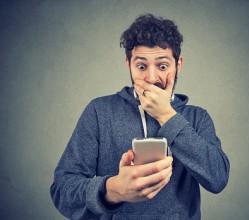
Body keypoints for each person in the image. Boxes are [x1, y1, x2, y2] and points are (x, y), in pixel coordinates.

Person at [50, 14, 230, 220]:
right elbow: (62, 190)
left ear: (178, 65)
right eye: (142, 66)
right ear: (128, 64)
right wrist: (113, 190)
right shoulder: (99, 111)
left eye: (162, 66)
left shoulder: (197, 117)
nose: (152, 78)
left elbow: (218, 179)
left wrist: (167, 116)